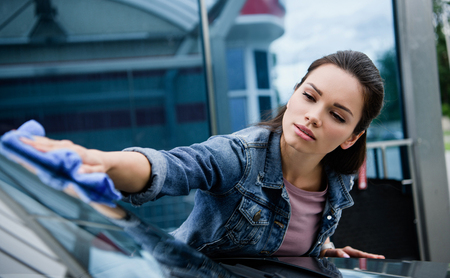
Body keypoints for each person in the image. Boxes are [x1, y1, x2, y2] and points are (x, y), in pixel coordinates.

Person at [21, 50, 385, 259]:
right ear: (294, 94)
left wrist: (323, 250)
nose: (313, 116)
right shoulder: (240, 156)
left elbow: (293, 230)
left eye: (337, 115)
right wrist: (100, 162)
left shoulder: (338, 180)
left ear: (352, 137)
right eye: (309, 96)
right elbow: (172, 167)